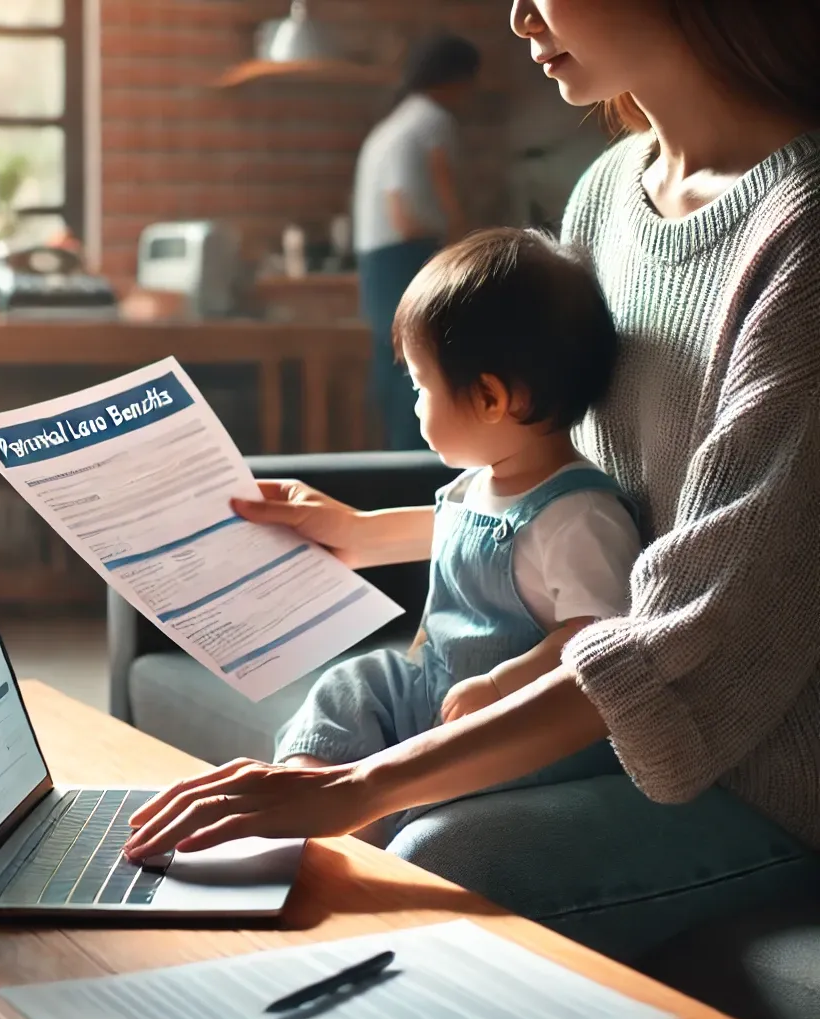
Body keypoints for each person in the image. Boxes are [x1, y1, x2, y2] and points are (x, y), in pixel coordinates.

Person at [126, 0, 820, 965]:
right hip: (594, 710)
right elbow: (547, 488)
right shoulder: (607, 194)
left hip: (751, 770)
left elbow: (695, 633)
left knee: (439, 852)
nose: (518, 13)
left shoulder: (802, 240)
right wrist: (366, 534)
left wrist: (361, 788)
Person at [272, 227, 641, 850]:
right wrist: (352, 530)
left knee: (443, 769)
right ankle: (307, 803)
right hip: (436, 685)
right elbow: (443, 531)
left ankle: (357, 829)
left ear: (494, 398)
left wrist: (504, 685)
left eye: (421, 386)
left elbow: (595, 640)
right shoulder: (482, 484)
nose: (414, 404)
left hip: (515, 726)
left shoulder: (581, 515)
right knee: (352, 685)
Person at [353, 32, 480, 451]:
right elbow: (426, 203)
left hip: (376, 262)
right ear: (457, 79)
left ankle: (396, 463)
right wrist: (468, 244)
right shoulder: (433, 121)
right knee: (424, 367)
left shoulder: (395, 122)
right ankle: (421, 465)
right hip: (410, 256)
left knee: (394, 369)